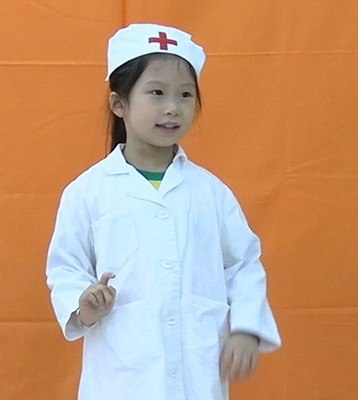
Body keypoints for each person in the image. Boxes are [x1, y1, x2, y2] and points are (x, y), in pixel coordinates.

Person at [46, 23, 281, 400]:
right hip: (123, 375)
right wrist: (84, 304)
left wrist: (245, 328)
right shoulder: (88, 191)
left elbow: (243, 264)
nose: (172, 107)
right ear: (119, 104)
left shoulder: (211, 192)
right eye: (157, 92)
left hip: (197, 374)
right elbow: (65, 267)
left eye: (185, 94)